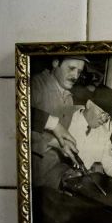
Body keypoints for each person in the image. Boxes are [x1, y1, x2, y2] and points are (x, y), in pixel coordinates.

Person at [30, 56, 88, 186]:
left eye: (79, 72)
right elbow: (17, 120)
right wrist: (54, 138)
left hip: (48, 177)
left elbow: (55, 156)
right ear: (56, 63)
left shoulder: (69, 99)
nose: (75, 76)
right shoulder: (34, 84)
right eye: (71, 68)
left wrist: (66, 173)